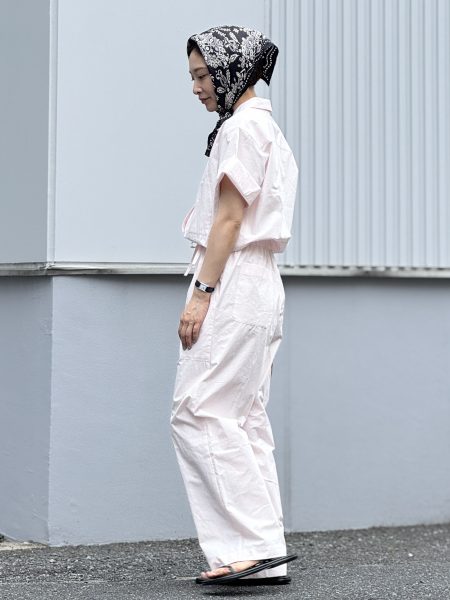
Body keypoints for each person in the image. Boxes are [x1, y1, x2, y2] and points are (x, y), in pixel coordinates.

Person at [170, 25, 299, 586]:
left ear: (231, 70)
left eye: (204, 75)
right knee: (242, 418)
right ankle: (263, 549)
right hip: (259, 282)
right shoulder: (265, 128)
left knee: (199, 411)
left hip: (233, 279)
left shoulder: (242, 128)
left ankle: (251, 548)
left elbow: (227, 219)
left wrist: (201, 294)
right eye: (193, 76)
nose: (197, 87)